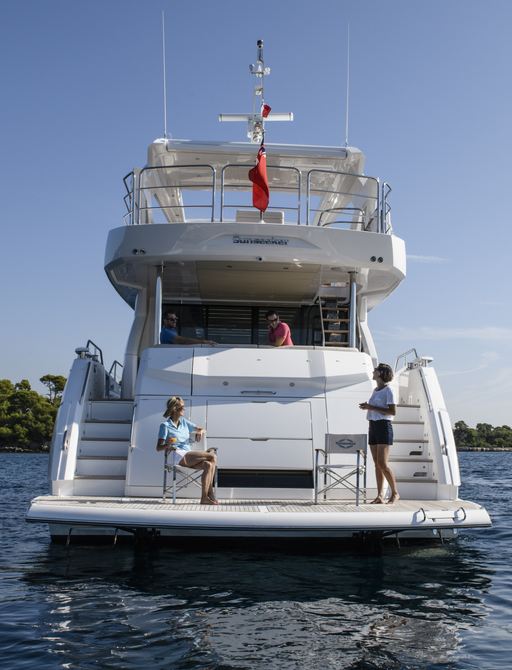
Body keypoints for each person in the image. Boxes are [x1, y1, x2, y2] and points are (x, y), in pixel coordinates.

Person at [156, 396, 218, 505]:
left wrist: (200, 432)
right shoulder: (165, 426)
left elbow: (202, 428)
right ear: (175, 408)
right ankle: (210, 493)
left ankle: (204, 497)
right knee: (212, 456)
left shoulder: (184, 422)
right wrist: (167, 444)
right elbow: (158, 448)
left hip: (188, 455)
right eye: (182, 406)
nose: (184, 409)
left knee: (208, 464)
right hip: (177, 455)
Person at [359, 363, 400, 504]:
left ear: (381, 373)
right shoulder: (376, 390)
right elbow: (376, 408)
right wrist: (368, 407)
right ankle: (380, 496)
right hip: (373, 426)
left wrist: (371, 407)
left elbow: (392, 411)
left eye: (375, 370)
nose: (373, 371)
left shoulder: (389, 390)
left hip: (384, 426)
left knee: (383, 463)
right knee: (376, 464)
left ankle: (395, 493)